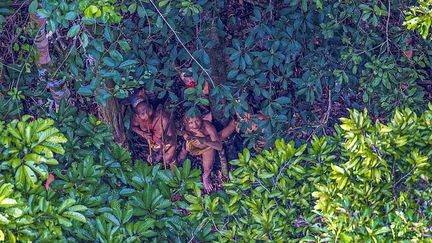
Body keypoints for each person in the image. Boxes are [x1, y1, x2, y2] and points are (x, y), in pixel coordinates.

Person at [178, 114, 235, 193]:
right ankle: (180, 159)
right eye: (191, 123)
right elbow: (182, 130)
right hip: (192, 145)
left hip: (207, 147)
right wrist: (186, 135)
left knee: (207, 168)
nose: (195, 125)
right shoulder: (186, 126)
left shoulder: (207, 126)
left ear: (201, 118)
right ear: (186, 123)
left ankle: (205, 177)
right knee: (184, 150)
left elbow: (219, 146)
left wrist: (204, 141)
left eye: (197, 121)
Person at [131, 101, 177, 169]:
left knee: (167, 158)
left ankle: (174, 175)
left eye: (148, 111)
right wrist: (143, 134)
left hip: (167, 143)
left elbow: (172, 136)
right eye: (143, 113)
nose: (147, 115)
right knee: (151, 159)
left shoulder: (162, 118)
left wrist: (165, 141)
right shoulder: (137, 119)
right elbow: (133, 127)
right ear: (138, 116)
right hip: (154, 145)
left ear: (151, 108)